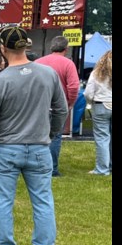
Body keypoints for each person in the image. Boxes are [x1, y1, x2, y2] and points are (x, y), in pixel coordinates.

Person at [0, 26, 68, 245]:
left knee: (3, 202)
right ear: (26, 46)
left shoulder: (0, 80)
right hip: (39, 147)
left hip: (7, 148)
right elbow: (61, 109)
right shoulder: (48, 74)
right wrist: (50, 133)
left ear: (2, 48)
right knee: (43, 201)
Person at [36, 36, 80, 177]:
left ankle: (36, 166)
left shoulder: (38, 62)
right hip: (58, 106)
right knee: (55, 137)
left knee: (37, 137)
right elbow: (73, 87)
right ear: (66, 49)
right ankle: (52, 169)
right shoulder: (68, 63)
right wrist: (70, 103)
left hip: (38, 105)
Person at [84, 49, 112, 175]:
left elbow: (89, 92)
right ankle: (109, 165)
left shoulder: (96, 73)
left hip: (101, 105)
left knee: (102, 138)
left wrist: (90, 102)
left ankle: (102, 169)